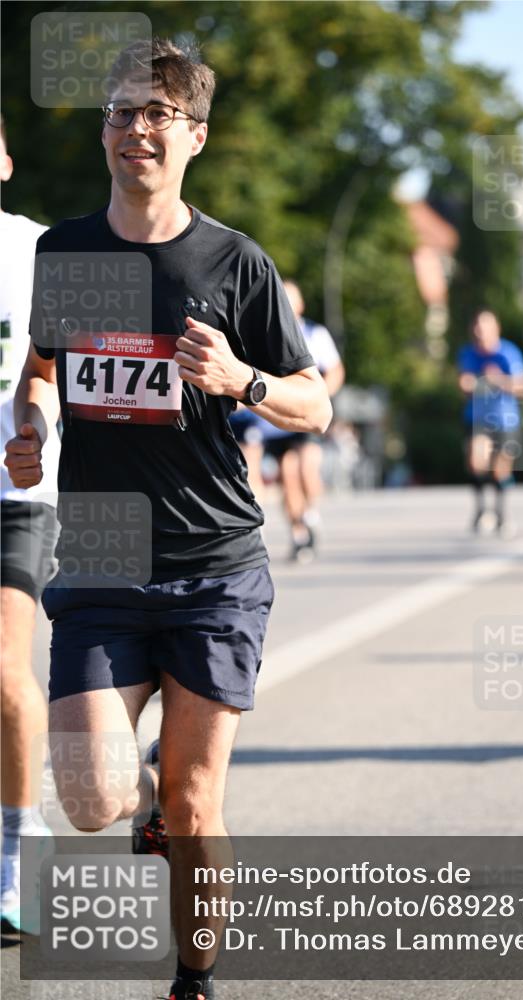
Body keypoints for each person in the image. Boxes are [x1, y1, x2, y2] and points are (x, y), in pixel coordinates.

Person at [4, 37, 331, 1000]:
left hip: (213, 561)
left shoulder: (231, 261)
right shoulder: (68, 251)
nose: (132, 129)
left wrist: (244, 379)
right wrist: (32, 425)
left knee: (195, 808)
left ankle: (194, 979)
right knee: (96, 797)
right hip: (103, 547)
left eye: (154, 114)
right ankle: (135, 795)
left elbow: (313, 402)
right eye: (117, 111)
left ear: (193, 135)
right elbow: (43, 370)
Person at [0, 114, 60, 932]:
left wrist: (38, 433)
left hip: (17, 489)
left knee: (3, 663)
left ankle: (18, 846)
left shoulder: (47, 251)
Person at [232, 280, 344, 561]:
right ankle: (298, 533)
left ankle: (310, 513)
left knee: (305, 468)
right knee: (284, 476)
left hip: (300, 416)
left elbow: (335, 371)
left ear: (301, 304)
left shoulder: (315, 334)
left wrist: (318, 398)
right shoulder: (261, 334)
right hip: (269, 419)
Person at [457, 309, 523, 536]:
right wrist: (471, 383)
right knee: (477, 460)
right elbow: (464, 383)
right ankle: (481, 510)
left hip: (505, 419)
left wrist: (498, 380)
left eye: (485, 326)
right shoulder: (468, 353)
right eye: (477, 327)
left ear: (496, 328)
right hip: (477, 418)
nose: (480, 332)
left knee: (500, 470)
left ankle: (501, 513)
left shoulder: (508, 353)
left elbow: (521, 387)